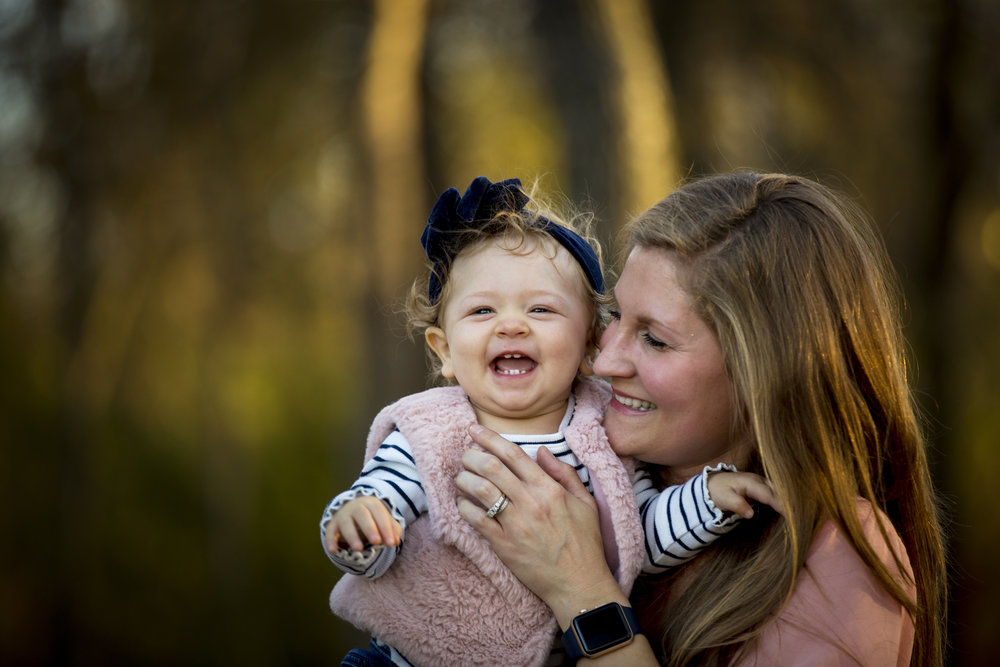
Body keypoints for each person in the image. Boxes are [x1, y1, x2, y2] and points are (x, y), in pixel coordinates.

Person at [456, 171, 947, 665]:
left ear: (765, 373)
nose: (604, 362)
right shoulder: (594, 470)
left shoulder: (834, 557)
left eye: (655, 339)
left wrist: (579, 588)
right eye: (613, 317)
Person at [320, 176, 778, 667]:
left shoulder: (604, 432)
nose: (511, 324)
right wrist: (359, 528)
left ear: (588, 345)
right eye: (481, 310)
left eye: (540, 308)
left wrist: (707, 498)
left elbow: (635, 535)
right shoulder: (430, 431)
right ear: (445, 350)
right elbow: (381, 500)